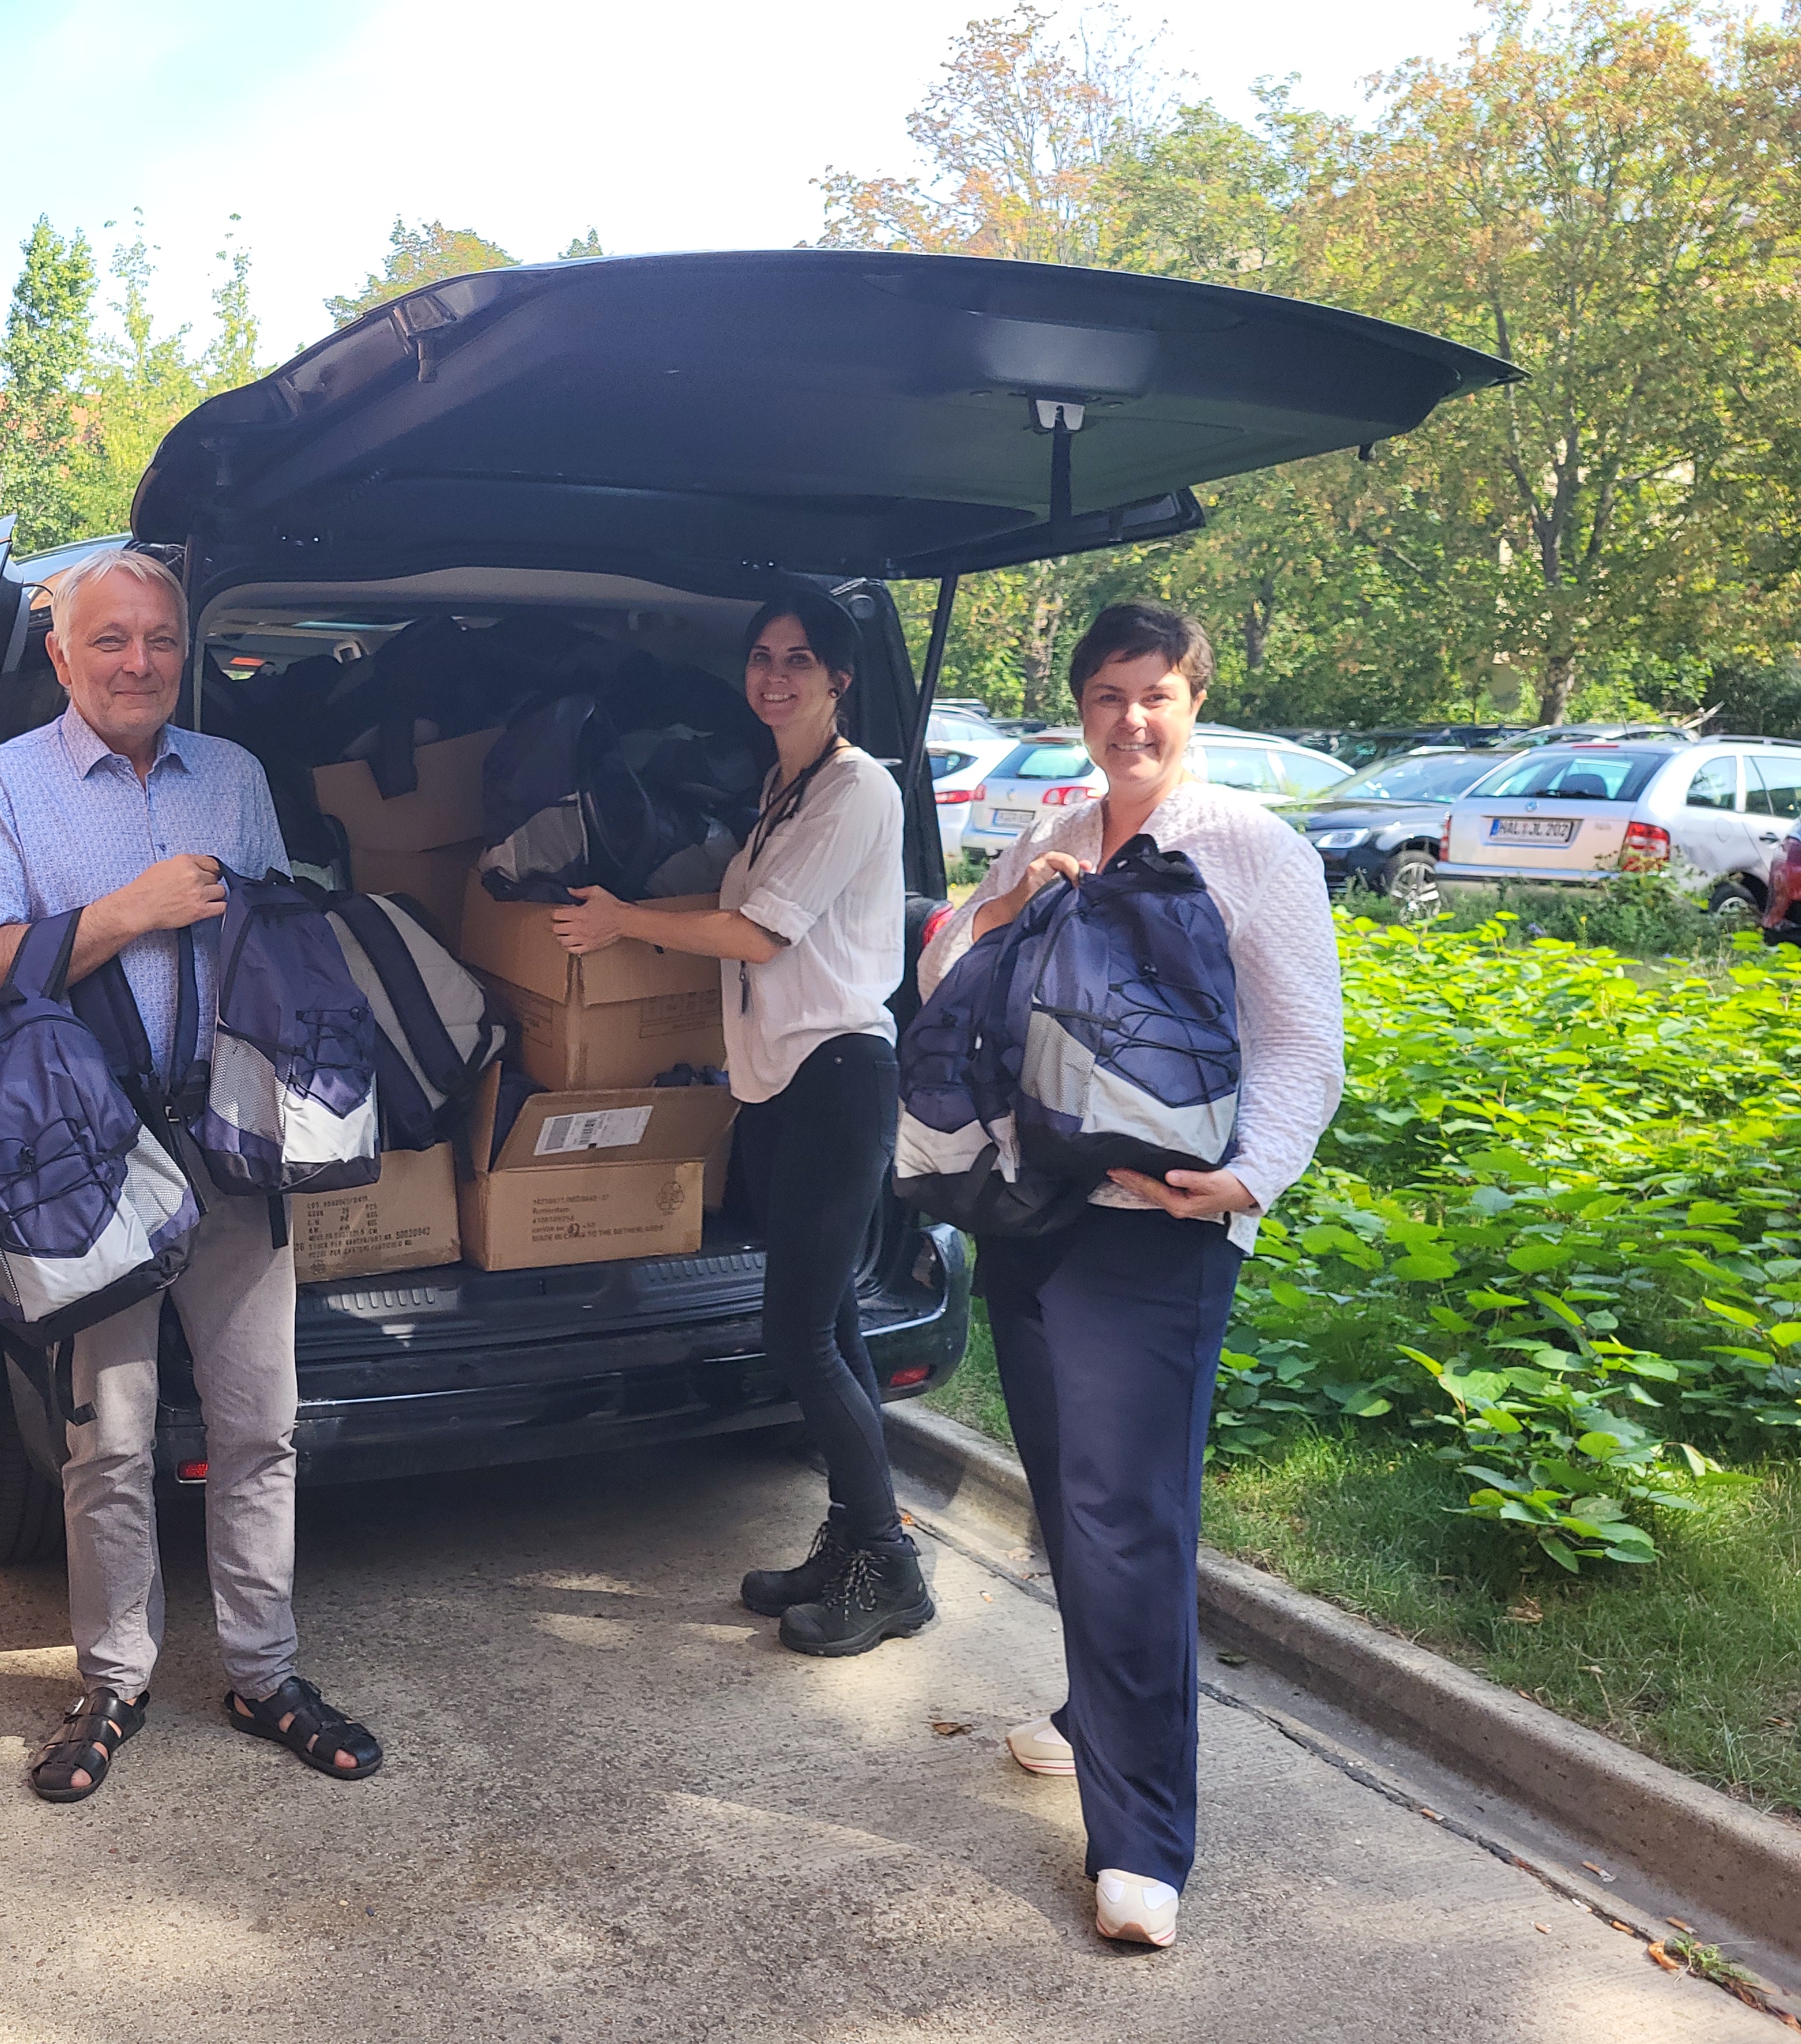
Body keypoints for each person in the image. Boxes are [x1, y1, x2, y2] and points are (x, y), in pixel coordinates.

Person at [917, 601, 1343, 1951]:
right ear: (1080, 708)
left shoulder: (1250, 850)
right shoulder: (1051, 829)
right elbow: (944, 973)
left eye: (1153, 694)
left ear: (1194, 700)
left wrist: (1244, 1179)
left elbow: (1300, 1045)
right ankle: (1086, 1713)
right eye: (1105, 695)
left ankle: (1141, 1842)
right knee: (1067, 1498)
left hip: (1155, 1229)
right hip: (1027, 1209)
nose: (1129, 720)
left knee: (1123, 1521)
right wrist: (1000, 897)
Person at [0, 548, 381, 1803]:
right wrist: (126, 911)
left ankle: (263, 1671)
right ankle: (114, 1681)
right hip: (91, 1159)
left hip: (233, 1149)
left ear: (189, 653)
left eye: (162, 640)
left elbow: (270, 942)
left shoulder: (234, 778)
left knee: (258, 1428)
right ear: (64, 657)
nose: (140, 664)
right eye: (112, 641)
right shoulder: (1, 788)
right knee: (109, 1442)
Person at [550, 595, 933, 1656]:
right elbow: (736, 920)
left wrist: (626, 921)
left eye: (799, 661)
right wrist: (623, 908)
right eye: (763, 658)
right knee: (838, 1327)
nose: (775, 677)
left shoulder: (855, 789)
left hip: (837, 1078)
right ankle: (850, 1538)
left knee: (801, 1335)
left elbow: (760, 935)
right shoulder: (783, 786)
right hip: (776, 1082)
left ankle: (890, 1568)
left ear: (838, 679)